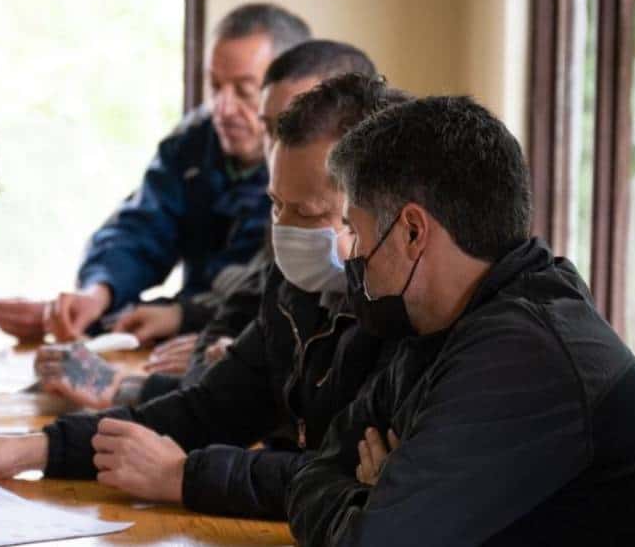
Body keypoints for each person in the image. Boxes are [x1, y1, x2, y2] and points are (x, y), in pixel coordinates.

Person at [0, 73, 411, 521]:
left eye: (310, 214)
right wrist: (28, 450)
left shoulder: (409, 317)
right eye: (277, 207)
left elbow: (337, 478)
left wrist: (183, 476)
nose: (286, 231)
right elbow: (207, 411)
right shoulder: (294, 289)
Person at [286, 97, 635, 546]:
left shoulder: (527, 352)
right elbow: (315, 470)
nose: (349, 255)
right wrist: (369, 497)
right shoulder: (435, 327)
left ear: (413, 231)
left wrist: (372, 500)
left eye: (355, 231)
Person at [38, 40, 380, 409]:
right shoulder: (213, 153)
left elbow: (319, 451)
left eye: (297, 128)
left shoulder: (393, 294)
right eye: (274, 129)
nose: (225, 108)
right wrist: (102, 292)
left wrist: (195, 335)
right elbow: (234, 329)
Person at [0, 3, 311, 343]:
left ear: (289, 91)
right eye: (215, 86)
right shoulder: (193, 140)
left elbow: (266, 292)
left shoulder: (311, 168)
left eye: (244, 91)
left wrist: (182, 315)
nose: (223, 108)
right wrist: (99, 293)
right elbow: (142, 226)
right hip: (185, 333)